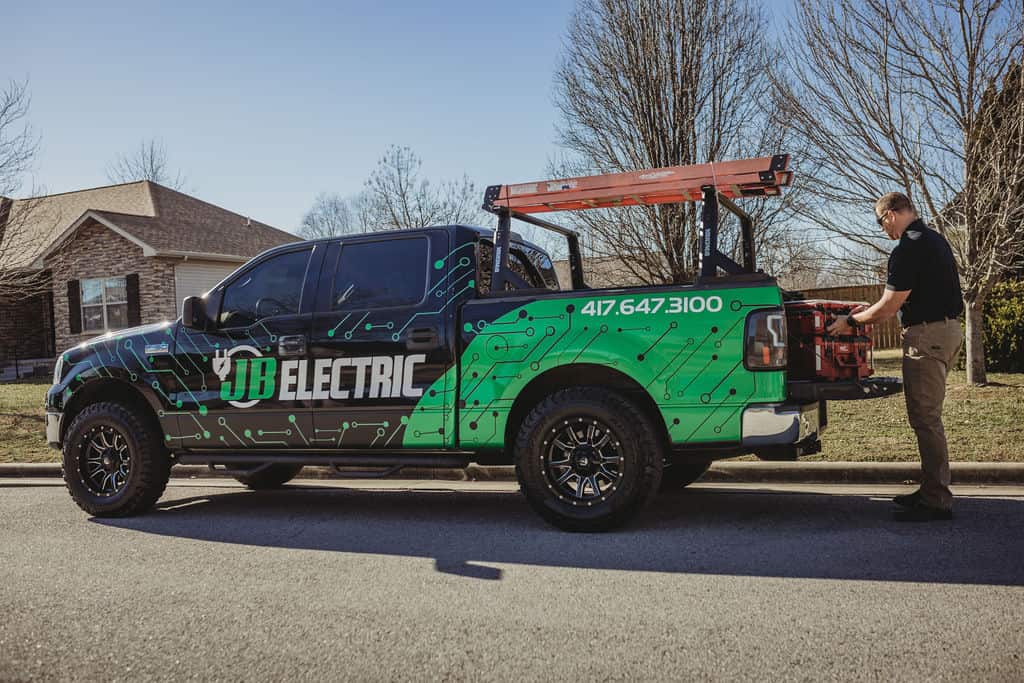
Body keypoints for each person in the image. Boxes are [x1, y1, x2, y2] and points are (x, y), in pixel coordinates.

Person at [827, 192, 963, 522]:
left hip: (927, 336)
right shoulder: (933, 240)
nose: (883, 230)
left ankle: (936, 500)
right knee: (928, 417)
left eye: (880, 223)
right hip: (946, 331)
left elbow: (888, 307)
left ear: (890, 215)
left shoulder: (908, 247)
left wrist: (850, 321)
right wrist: (866, 311)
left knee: (925, 418)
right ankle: (932, 489)